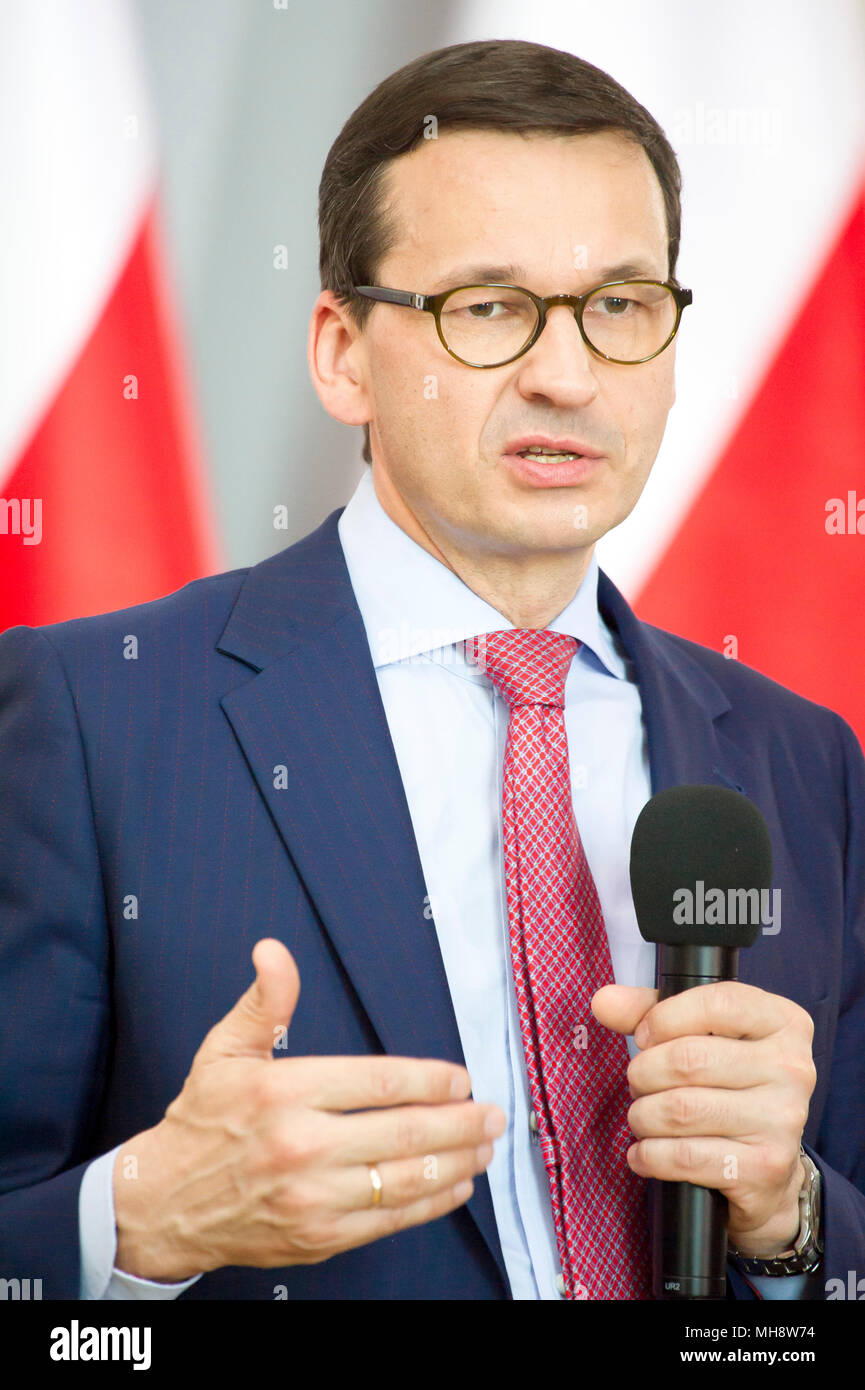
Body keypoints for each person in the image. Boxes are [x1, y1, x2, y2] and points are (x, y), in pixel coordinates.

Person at [1, 38, 863, 1303]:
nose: (566, 376)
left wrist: (788, 1222)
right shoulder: (89, 715)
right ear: (342, 352)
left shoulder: (805, 759)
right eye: (488, 307)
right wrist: (140, 1224)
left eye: (620, 304)